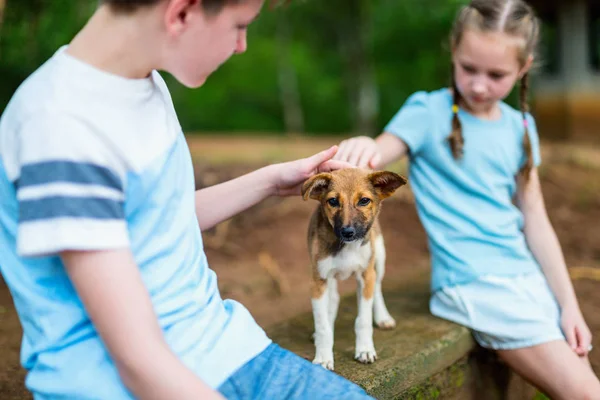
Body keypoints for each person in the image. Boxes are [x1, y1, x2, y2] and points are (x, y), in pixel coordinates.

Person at [0, 0, 374, 399]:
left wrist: (271, 180)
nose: (242, 44)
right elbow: (138, 361)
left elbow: (158, 222)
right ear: (181, 13)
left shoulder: (143, 83)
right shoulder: (60, 126)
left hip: (224, 349)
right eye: (239, 25)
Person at [333, 0, 600, 398]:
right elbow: (375, 155)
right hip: (473, 284)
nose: (478, 84)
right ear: (454, 51)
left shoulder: (520, 127)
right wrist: (363, 145)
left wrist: (569, 305)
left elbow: (536, 218)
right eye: (468, 68)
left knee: (584, 382)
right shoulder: (427, 112)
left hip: (526, 280)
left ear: (523, 67)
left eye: (496, 75)